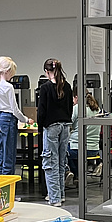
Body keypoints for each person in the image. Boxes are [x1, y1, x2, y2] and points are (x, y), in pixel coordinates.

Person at [37, 58, 73, 206]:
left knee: (50, 163)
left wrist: (41, 128)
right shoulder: (68, 86)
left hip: (51, 127)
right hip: (65, 127)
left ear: (46, 72)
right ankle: (61, 195)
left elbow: (41, 112)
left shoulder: (45, 88)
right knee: (60, 162)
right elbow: (70, 108)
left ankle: (54, 198)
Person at [0, 56, 33, 176]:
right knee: (9, 155)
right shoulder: (8, 87)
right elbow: (15, 110)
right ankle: (7, 191)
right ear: (7, 71)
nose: (12, 76)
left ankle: (0, 189)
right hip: (8, 120)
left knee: (1, 155)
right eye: (12, 73)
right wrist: (26, 120)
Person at [67, 88, 100, 187]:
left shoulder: (77, 108)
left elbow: (68, 123)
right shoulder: (97, 109)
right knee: (74, 152)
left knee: (62, 151)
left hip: (77, 148)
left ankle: (69, 173)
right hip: (94, 149)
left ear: (76, 97)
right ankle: (77, 177)